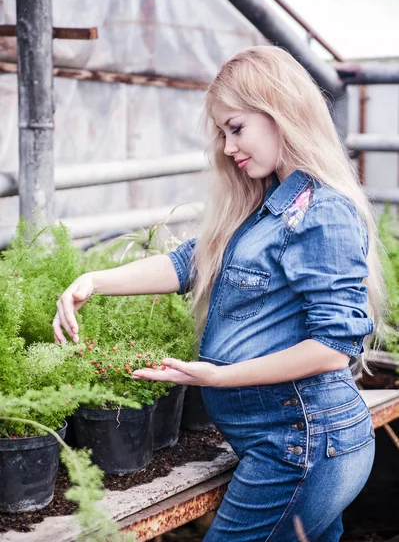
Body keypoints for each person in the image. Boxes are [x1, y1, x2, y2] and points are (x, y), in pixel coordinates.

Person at [54, 45, 388, 541]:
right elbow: (192, 261)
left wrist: (219, 376)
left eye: (236, 128)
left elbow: (332, 349)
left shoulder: (321, 211)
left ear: (281, 111)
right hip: (289, 439)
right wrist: (93, 282)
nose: (229, 147)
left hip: (304, 443)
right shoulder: (266, 204)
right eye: (223, 133)